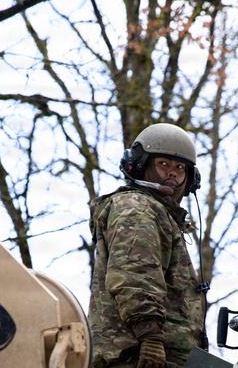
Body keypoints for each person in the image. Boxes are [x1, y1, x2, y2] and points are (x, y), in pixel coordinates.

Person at [88, 123, 205, 368]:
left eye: (180, 168)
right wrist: (150, 337)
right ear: (140, 166)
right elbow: (135, 275)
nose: (172, 174)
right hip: (139, 357)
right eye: (163, 164)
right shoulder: (136, 207)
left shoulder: (160, 214)